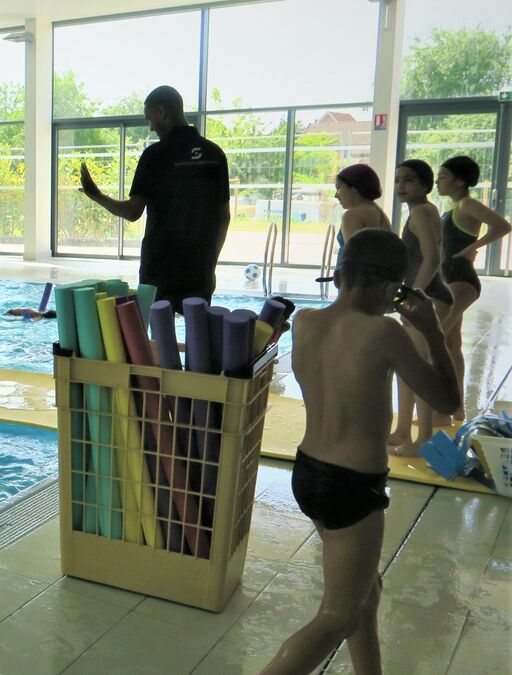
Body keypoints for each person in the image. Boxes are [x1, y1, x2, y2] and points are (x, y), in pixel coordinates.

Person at [262, 229, 459, 675]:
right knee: (338, 615)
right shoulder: (385, 333)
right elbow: (447, 400)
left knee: (365, 594)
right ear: (394, 290)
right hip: (352, 487)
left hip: (308, 474)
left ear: (337, 276)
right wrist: (431, 328)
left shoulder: (307, 322)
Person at [78, 85, 229, 310]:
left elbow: (132, 212)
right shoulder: (214, 154)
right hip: (200, 266)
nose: (150, 127)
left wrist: (97, 196)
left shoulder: (155, 156)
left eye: (150, 118)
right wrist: (211, 262)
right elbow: (224, 217)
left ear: (162, 112)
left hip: (161, 265)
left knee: (157, 336)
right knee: (198, 337)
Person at [436, 155, 511, 422]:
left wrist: (472, 248)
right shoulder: (453, 209)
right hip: (451, 279)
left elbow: (503, 225)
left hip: (462, 280)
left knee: (437, 338)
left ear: (459, 181)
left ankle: (441, 407)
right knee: (451, 344)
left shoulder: (467, 204)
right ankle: (457, 408)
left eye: (443, 177)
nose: (437, 181)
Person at [388, 159, 452, 456]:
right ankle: (404, 430)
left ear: (425, 186)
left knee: (420, 369)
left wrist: (414, 297)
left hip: (428, 296)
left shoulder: (423, 212)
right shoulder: (421, 210)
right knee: (408, 368)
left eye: (409, 180)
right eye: (398, 179)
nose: (401, 186)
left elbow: (432, 258)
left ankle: (424, 438)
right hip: (423, 295)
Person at [333, 164, 392, 268]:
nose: (336, 195)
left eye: (338, 188)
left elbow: (352, 261)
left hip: (358, 282)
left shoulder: (352, 215)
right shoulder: (379, 212)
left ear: (354, 188)